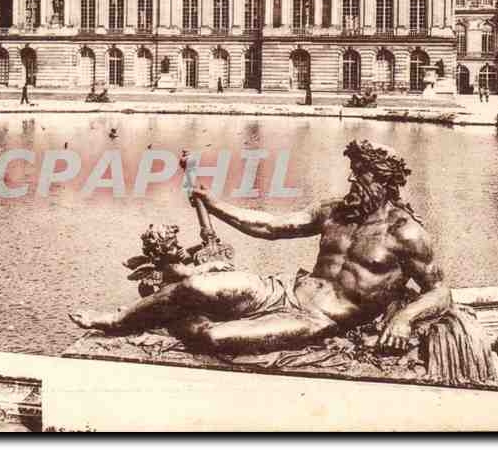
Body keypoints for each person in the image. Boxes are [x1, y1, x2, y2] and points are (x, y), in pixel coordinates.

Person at [70, 140, 450, 355]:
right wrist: (214, 203)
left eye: (362, 174)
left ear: (385, 181)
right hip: (282, 290)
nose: (353, 180)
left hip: (317, 318)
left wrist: (403, 318)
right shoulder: (336, 210)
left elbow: (440, 291)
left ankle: (172, 319)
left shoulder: (406, 233)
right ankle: (120, 320)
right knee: (194, 287)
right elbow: (271, 226)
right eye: (353, 171)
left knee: (216, 339)